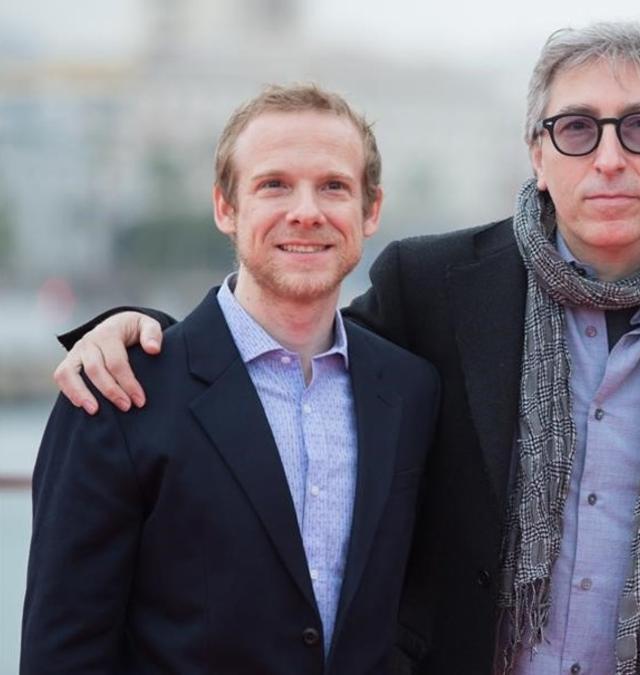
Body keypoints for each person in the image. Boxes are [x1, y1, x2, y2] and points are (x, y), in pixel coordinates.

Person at [50, 23, 640, 674]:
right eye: (577, 129)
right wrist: (132, 328)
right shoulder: (433, 287)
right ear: (537, 153)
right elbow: (284, 335)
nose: (609, 157)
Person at [21, 84, 440, 674]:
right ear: (225, 207)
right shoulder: (118, 393)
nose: (306, 211)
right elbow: (63, 653)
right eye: (274, 185)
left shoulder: (410, 391)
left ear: (370, 211)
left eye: (333, 187)